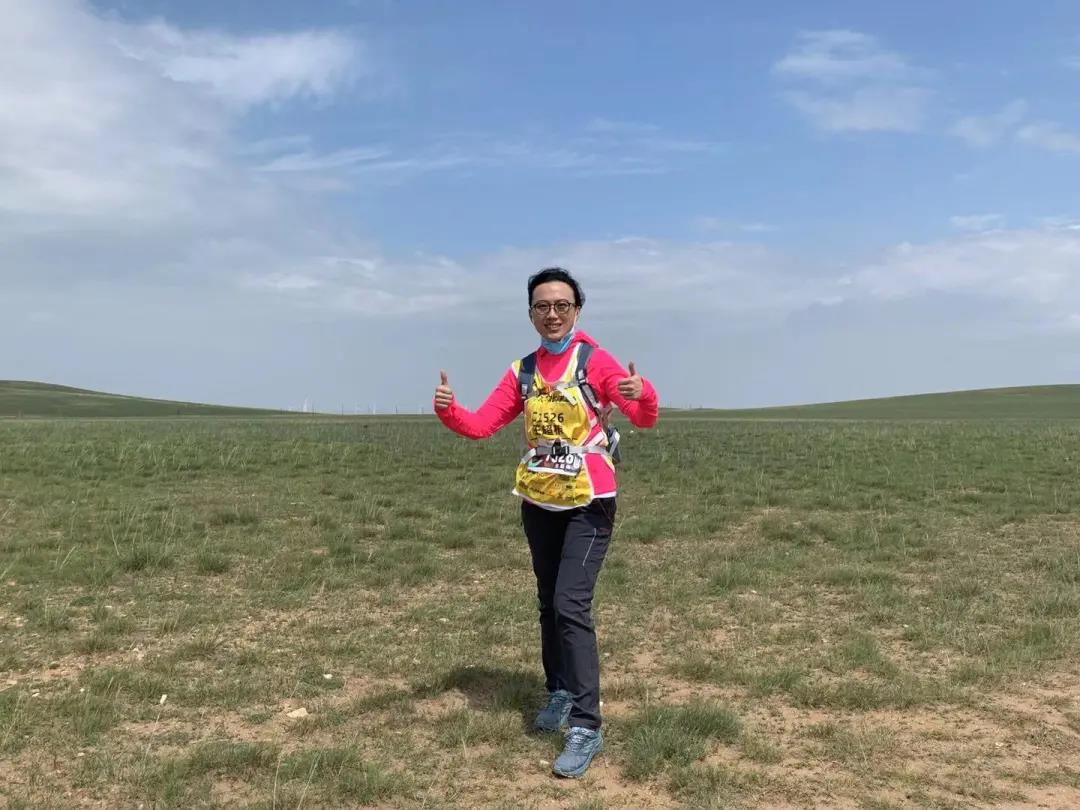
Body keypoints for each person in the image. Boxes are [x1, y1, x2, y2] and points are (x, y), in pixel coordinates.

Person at [433, 267, 659, 778]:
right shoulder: (524, 371)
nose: (552, 313)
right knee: (547, 603)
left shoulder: (595, 362)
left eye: (562, 305)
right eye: (542, 306)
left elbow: (644, 417)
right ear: (531, 313)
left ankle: (586, 725)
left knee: (570, 604)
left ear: (577, 310)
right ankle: (559, 691)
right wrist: (448, 411)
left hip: (590, 502)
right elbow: (481, 425)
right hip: (539, 501)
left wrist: (642, 392)